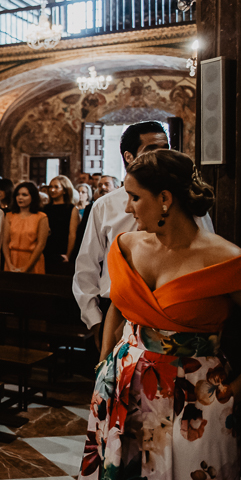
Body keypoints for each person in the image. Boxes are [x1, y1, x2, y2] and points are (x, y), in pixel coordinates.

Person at [66, 149, 241, 480]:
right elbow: (118, 307)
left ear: (165, 199)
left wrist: (233, 393)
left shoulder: (226, 260)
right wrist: (105, 361)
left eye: (135, 197)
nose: (126, 207)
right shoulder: (125, 246)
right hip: (123, 390)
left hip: (193, 398)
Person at [73, 121, 214, 337]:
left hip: (173, 308)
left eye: (165, 148)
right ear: (129, 157)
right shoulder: (105, 205)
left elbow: (208, 250)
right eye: (152, 149)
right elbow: (86, 265)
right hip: (115, 309)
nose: (161, 155)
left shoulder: (184, 200)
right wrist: (94, 320)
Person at [2, 182, 49, 274]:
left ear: (33, 197)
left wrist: (26, 267)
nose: (20, 198)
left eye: (24, 195)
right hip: (12, 259)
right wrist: (9, 264)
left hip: (32, 259)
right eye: (18, 195)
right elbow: (5, 242)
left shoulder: (41, 217)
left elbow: (40, 245)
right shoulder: (9, 216)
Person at [42, 175, 80, 274]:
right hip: (46, 248)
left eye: (56, 187)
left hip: (62, 248)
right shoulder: (45, 208)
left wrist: (68, 254)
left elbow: (72, 234)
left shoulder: (71, 209)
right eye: (50, 187)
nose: (52, 190)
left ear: (64, 190)